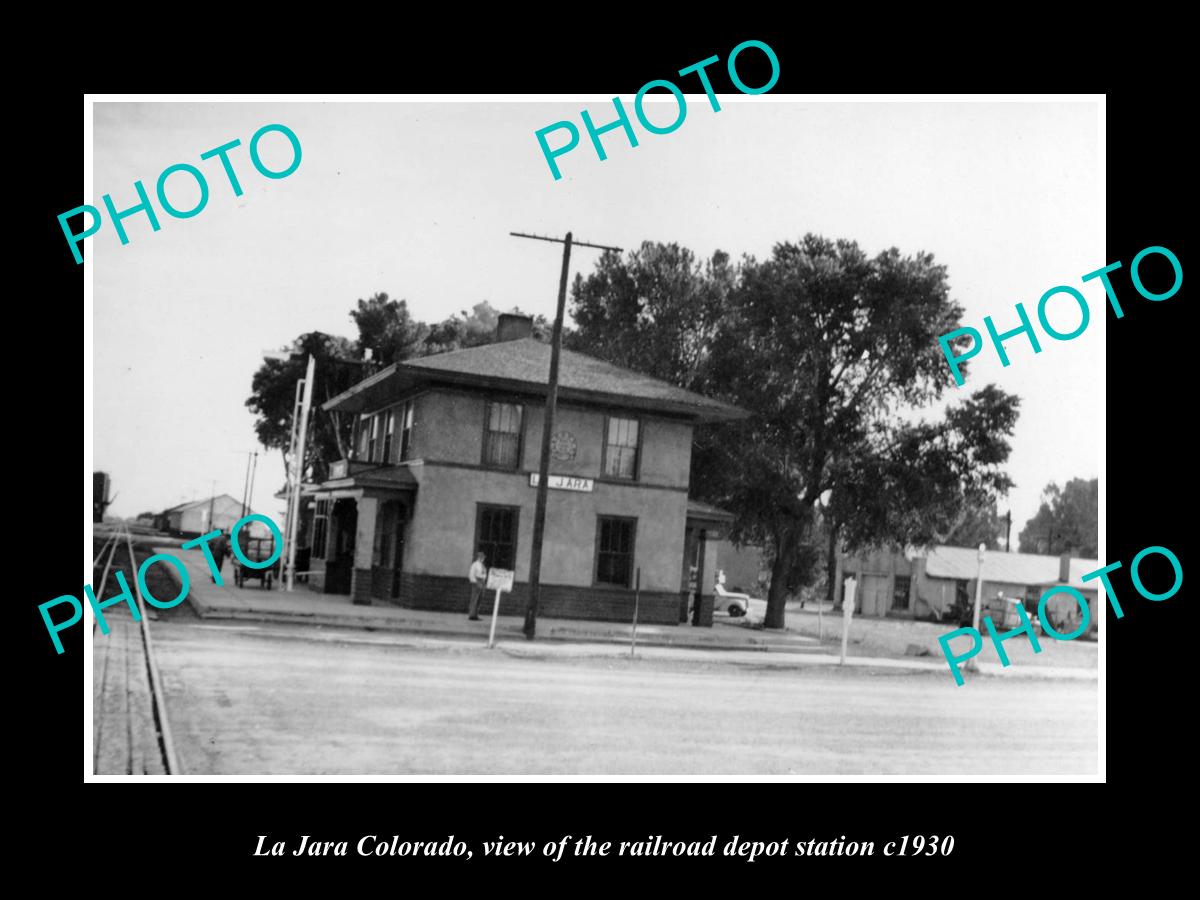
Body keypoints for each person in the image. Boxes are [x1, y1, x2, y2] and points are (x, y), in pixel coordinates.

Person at [467, 551, 487, 620]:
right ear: (478, 557)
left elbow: (484, 574)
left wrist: (483, 582)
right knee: (474, 599)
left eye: (483, 557)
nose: (482, 558)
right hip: (476, 582)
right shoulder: (475, 564)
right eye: (481, 557)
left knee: (479, 599)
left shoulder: (482, 565)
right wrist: (475, 582)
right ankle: (471, 615)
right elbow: (471, 574)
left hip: (482, 582)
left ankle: (476, 615)